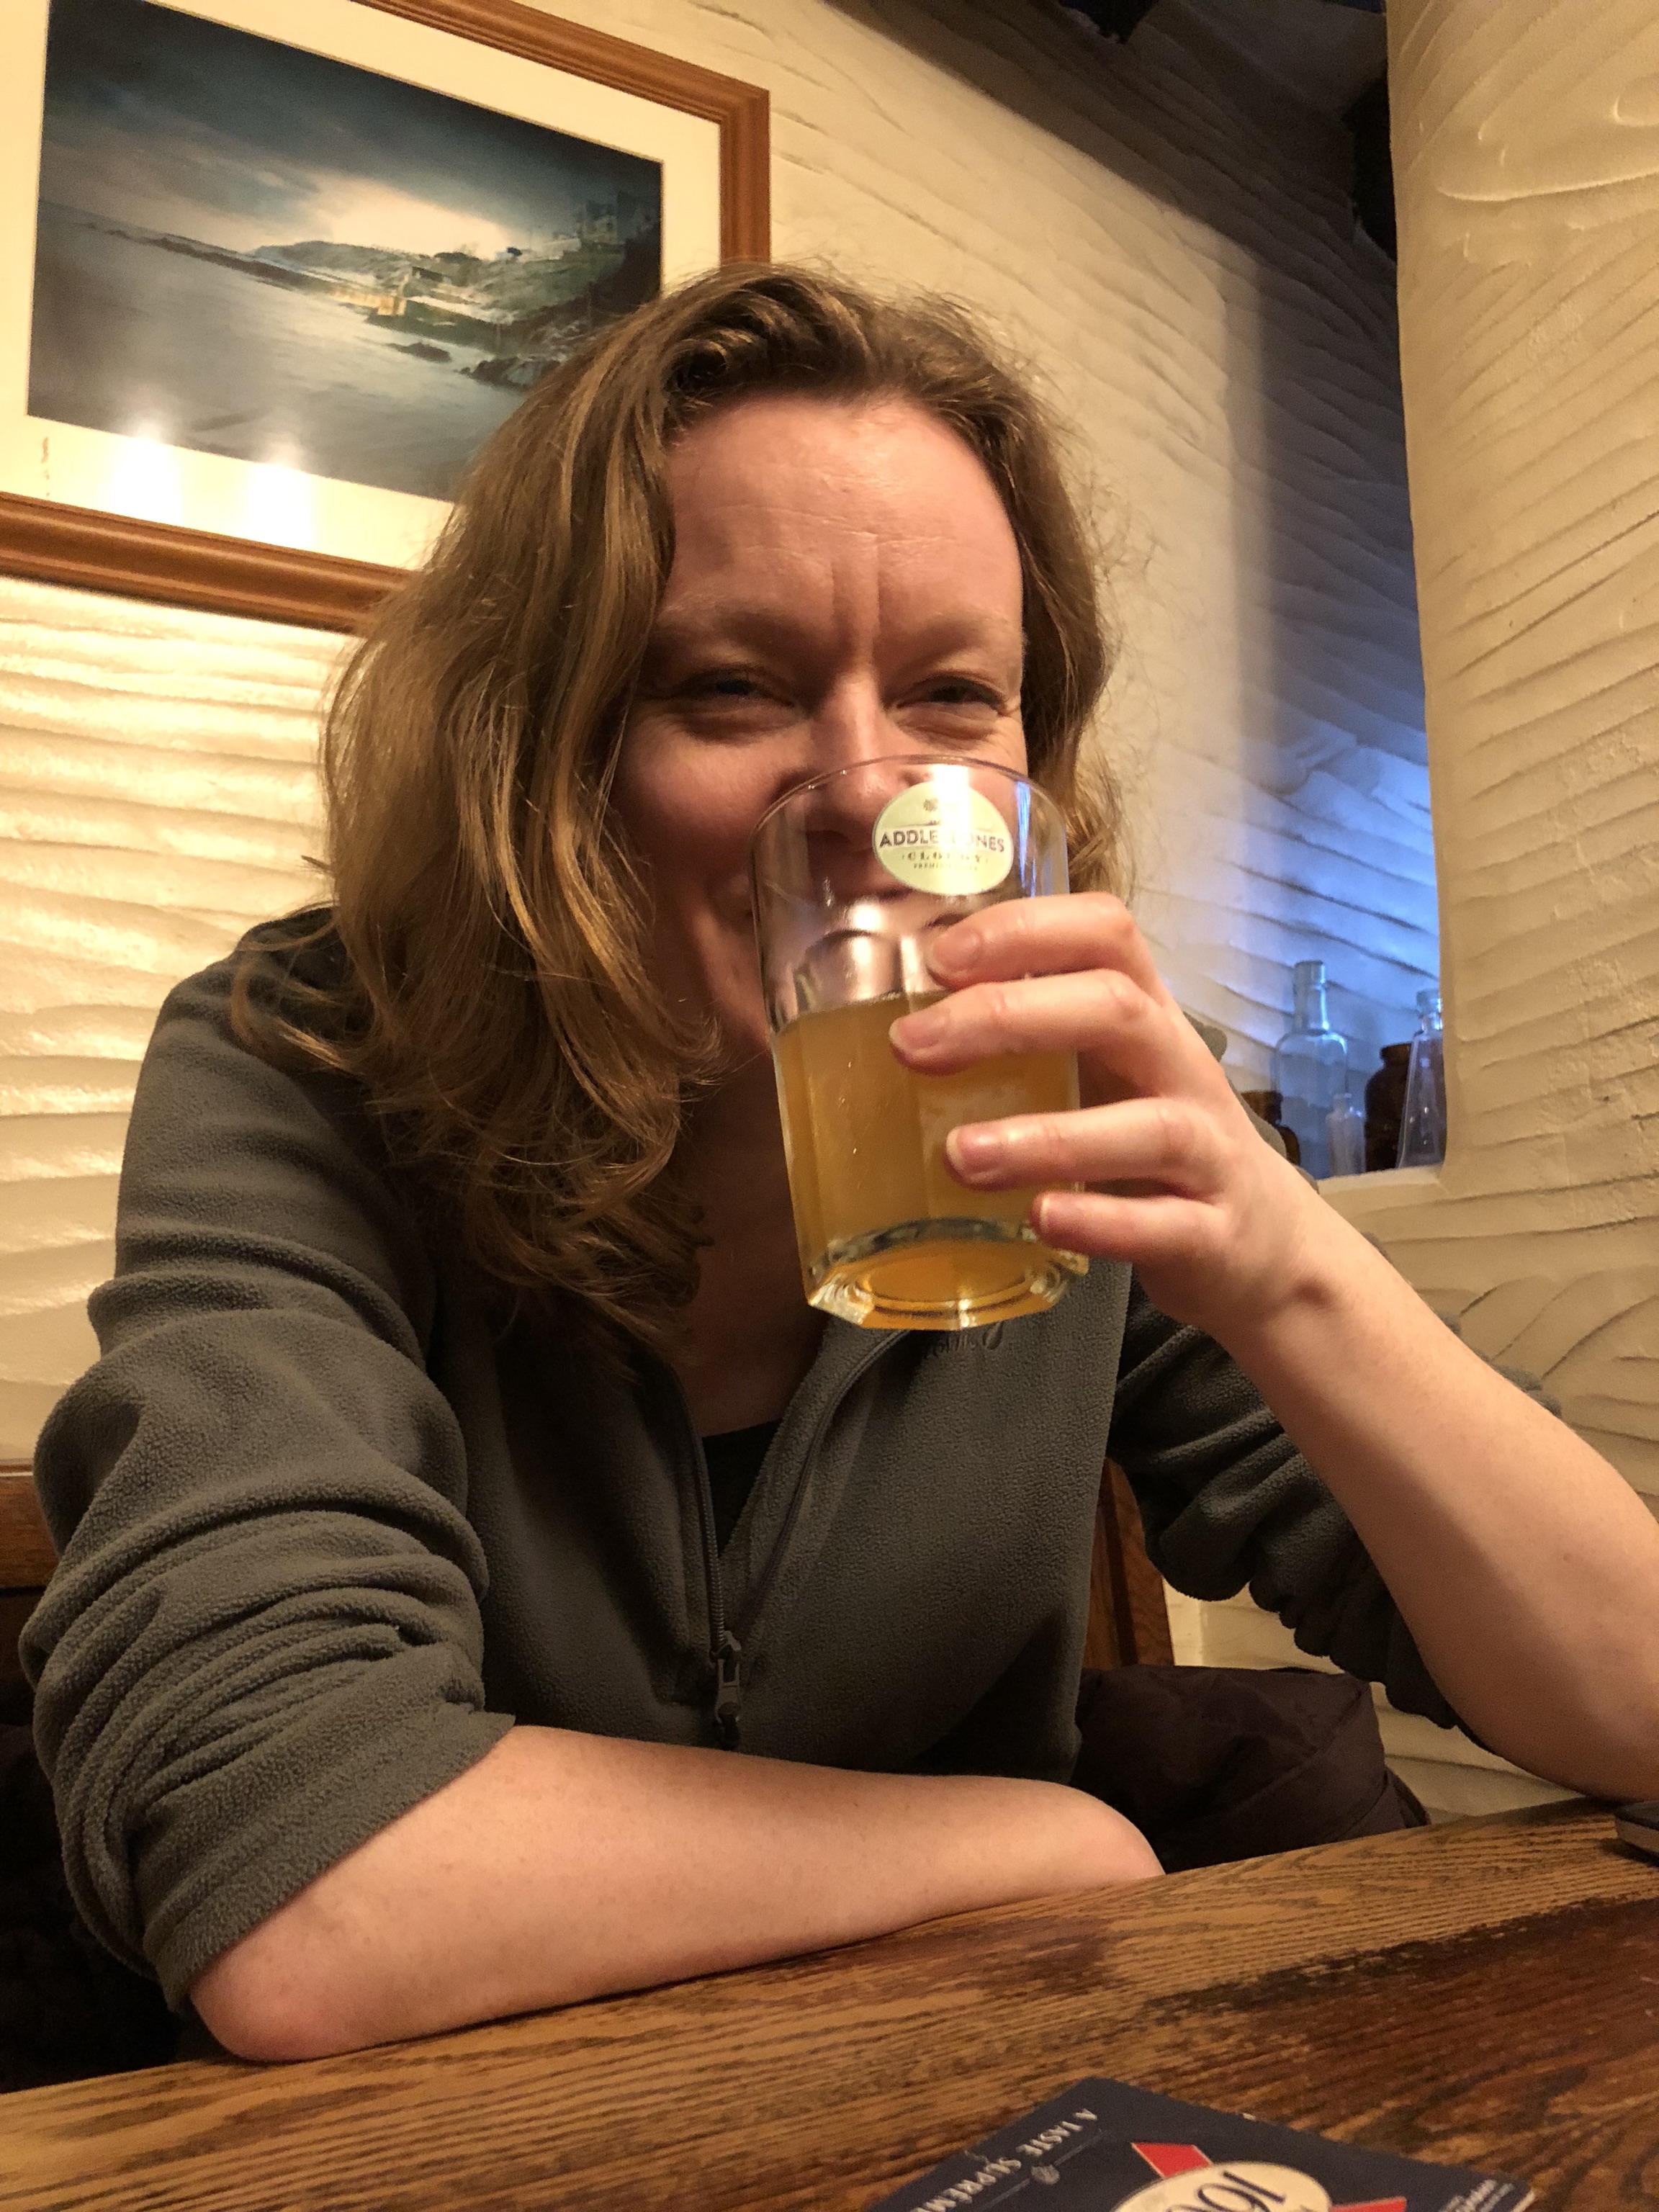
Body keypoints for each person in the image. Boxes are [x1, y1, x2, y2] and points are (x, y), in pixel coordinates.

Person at [22, 266, 1659, 2067]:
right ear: (541, 751)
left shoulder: (1079, 1106)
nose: (880, 799)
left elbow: (1639, 1697)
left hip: (972, 2103)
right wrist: (1040, 1844)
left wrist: (1289, 1262)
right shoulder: (305, 1060)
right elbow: (298, 1887)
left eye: (956, 696)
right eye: (730, 688)